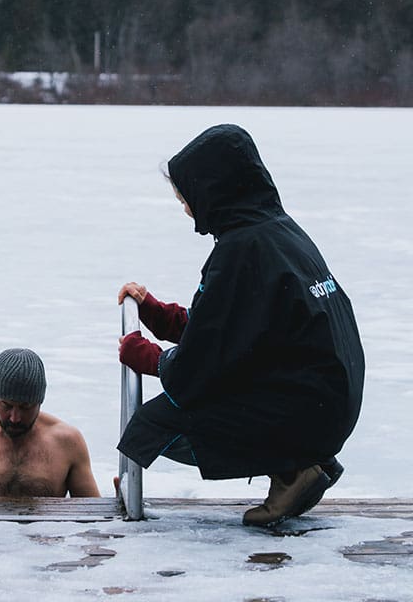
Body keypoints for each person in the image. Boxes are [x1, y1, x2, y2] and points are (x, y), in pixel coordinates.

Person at [117, 123, 364, 528]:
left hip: (308, 410)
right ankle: (301, 460)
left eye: (187, 197)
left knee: (151, 424)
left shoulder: (241, 250)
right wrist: (157, 313)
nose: (185, 208)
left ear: (214, 189)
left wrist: (148, 357)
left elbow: (193, 372)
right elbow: (231, 333)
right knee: (200, 397)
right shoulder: (280, 233)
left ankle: (293, 467)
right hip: (325, 405)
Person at [0, 348, 100, 498]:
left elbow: (95, 519)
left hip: (46, 531)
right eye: (6, 405)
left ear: (40, 401)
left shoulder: (68, 442)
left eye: (25, 407)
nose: (15, 418)